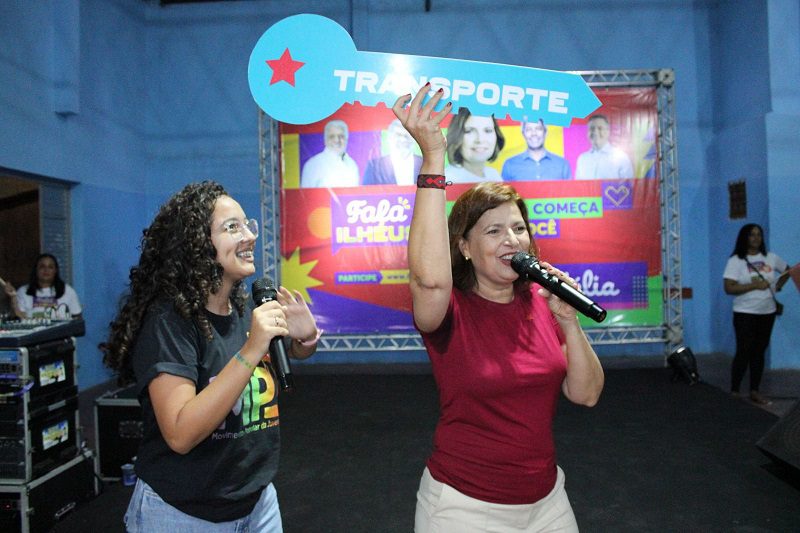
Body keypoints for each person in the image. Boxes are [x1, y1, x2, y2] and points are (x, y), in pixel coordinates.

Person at [394, 86, 604, 532]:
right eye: (493, 232)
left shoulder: (542, 302)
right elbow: (428, 278)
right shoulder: (447, 311)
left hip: (547, 501)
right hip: (463, 507)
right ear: (465, 248)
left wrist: (569, 323)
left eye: (518, 229)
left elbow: (586, 394)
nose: (512, 240)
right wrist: (434, 158)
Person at [100, 181, 321, 531]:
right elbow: (180, 433)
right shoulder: (168, 323)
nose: (249, 235)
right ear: (197, 245)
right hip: (184, 513)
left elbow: (266, 369)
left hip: (257, 503)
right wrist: (251, 349)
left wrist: (304, 341)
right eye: (232, 227)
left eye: (247, 224)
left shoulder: (244, 307)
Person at [723, 223, 790, 406]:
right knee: (743, 350)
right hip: (744, 312)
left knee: (759, 352)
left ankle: (755, 390)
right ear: (745, 238)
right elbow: (729, 287)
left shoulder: (771, 258)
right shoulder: (736, 261)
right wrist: (753, 286)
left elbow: (787, 271)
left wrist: (777, 286)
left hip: (766, 312)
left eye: (759, 234)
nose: (756, 238)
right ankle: (735, 390)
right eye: (752, 235)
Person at [444, 107, 505, 184]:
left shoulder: (493, 175)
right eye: (469, 131)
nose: (480, 139)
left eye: (488, 130)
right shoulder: (449, 178)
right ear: (456, 136)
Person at [13, 253, 82, 320]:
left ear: (55, 271)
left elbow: (77, 318)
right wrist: (12, 296)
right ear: (36, 269)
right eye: (42, 266)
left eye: (50, 267)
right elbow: (19, 316)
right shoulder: (23, 291)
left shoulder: (68, 291)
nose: (46, 270)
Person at [501, 119, 572, 181]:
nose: (534, 133)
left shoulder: (562, 164)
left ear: (545, 132)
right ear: (523, 134)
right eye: (528, 129)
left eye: (538, 128)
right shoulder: (510, 165)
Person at [300, 119, 360, 188]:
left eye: (341, 136)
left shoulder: (352, 165)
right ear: (325, 140)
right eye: (332, 136)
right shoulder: (312, 165)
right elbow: (305, 197)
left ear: (346, 139)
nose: (337, 140)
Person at [363, 119, 423, 186]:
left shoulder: (425, 164)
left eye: (407, 135)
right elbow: (366, 195)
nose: (403, 139)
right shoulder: (374, 167)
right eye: (398, 135)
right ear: (389, 137)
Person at [574, 114, 633, 180]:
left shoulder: (621, 157)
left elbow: (628, 186)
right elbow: (578, 186)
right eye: (592, 128)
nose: (595, 132)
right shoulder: (582, 158)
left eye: (600, 128)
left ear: (608, 132)